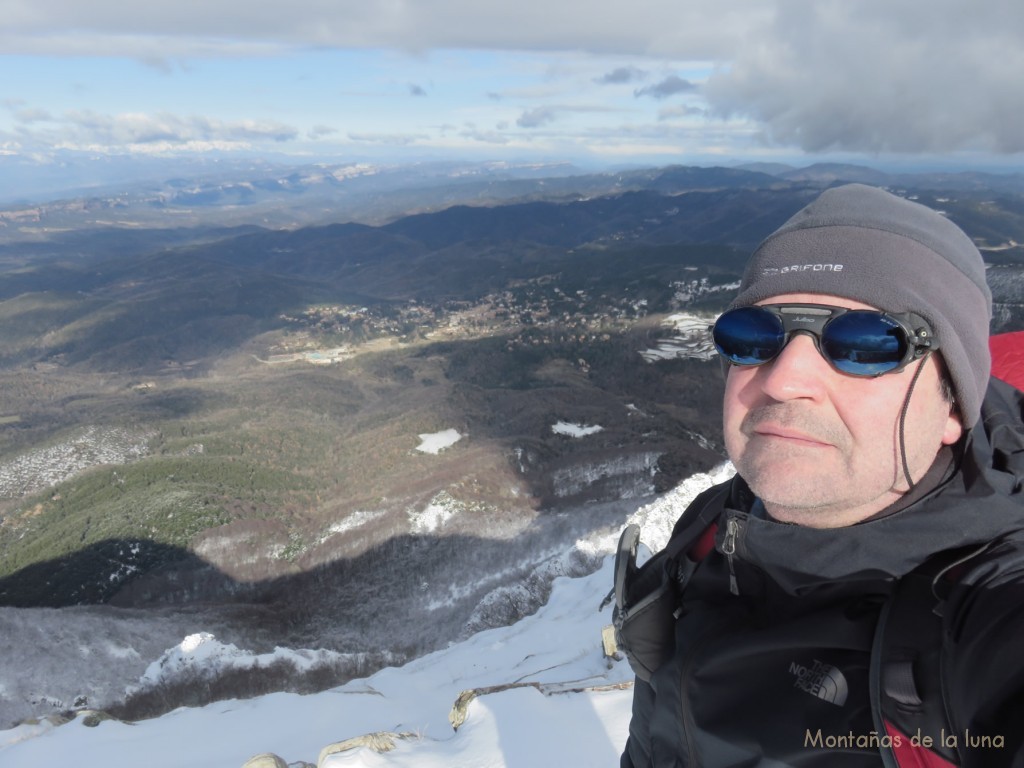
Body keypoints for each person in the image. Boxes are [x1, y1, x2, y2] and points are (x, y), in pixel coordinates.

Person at [614, 183, 1024, 767]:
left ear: (953, 406)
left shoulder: (978, 610)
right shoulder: (714, 526)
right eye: (755, 336)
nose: (782, 380)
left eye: (865, 344)